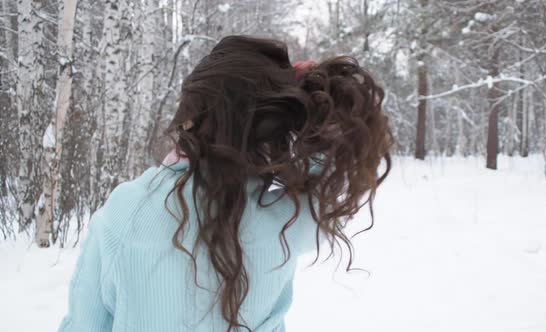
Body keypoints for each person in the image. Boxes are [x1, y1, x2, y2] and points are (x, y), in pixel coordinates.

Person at [58, 35, 393, 332]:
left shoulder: (126, 211)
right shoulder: (287, 219)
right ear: (270, 126)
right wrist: (312, 94)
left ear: (190, 116)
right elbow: (333, 166)